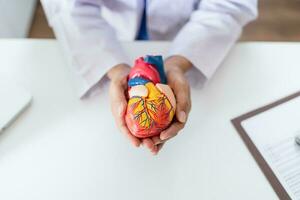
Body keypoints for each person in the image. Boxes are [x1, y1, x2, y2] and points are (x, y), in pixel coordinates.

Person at [41, 0, 258, 154]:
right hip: (108, 32)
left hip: (189, 31)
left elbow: (229, 4)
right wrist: (114, 68)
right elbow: (68, 5)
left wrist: (179, 62)